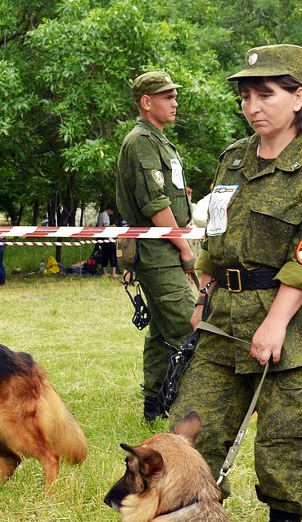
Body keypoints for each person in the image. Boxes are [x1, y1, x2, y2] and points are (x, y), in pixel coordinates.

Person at [169, 44, 302, 522]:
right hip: (223, 319)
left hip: (288, 328)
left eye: (265, 94)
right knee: (191, 430)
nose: (253, 106)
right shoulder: (232, 159)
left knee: (282, 441)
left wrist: (273, 323)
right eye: (246, 95)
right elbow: (217, 237)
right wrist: (204, 295)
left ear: (298, 97)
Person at [116, 70, 196, 422]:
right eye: (167, 97)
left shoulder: (159, 140)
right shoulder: (141, 141)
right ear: (146, 103)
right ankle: (191, 409)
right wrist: (184, 248)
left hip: (163, 249)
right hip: (158, 252)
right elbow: (155, 204)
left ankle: (155, 405)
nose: (175, 102)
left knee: (162, 331)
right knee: (188, 329)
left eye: (175, 96)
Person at [95, 202, 121, 278]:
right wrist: (113, 226)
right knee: (113, 255)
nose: (112, 213)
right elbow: (105, 225)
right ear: (110, 210)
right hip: (107, 238)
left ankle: (105, 272)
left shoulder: (101, 214)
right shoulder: (105, 215)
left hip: (102, 238)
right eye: (112, 211)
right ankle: (113, 272)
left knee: (104, 255)